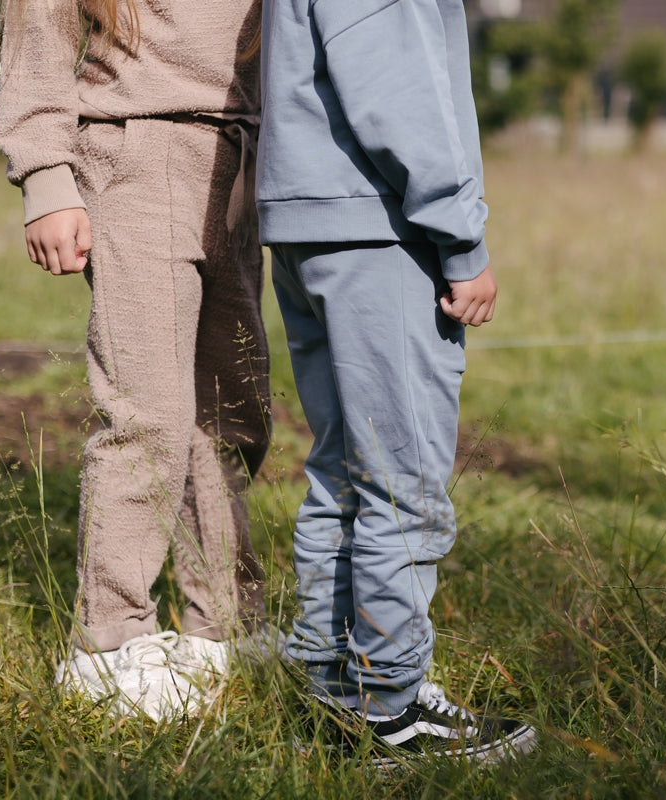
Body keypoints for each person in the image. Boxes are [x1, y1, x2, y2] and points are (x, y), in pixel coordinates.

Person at [257, 0, 536, 765]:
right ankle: (392, 710)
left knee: (346, 467)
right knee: (402, 476)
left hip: (313, 222)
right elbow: (394, 86)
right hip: (380, 228)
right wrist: (461, 235)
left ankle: (330, 686)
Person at [0, 0, 276, 720]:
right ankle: (110, 643)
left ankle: (225, 626)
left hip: (242, 159)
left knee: (233, 412)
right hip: (134, 152)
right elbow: (39, 30)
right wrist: (46, 178)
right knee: (147, 412)